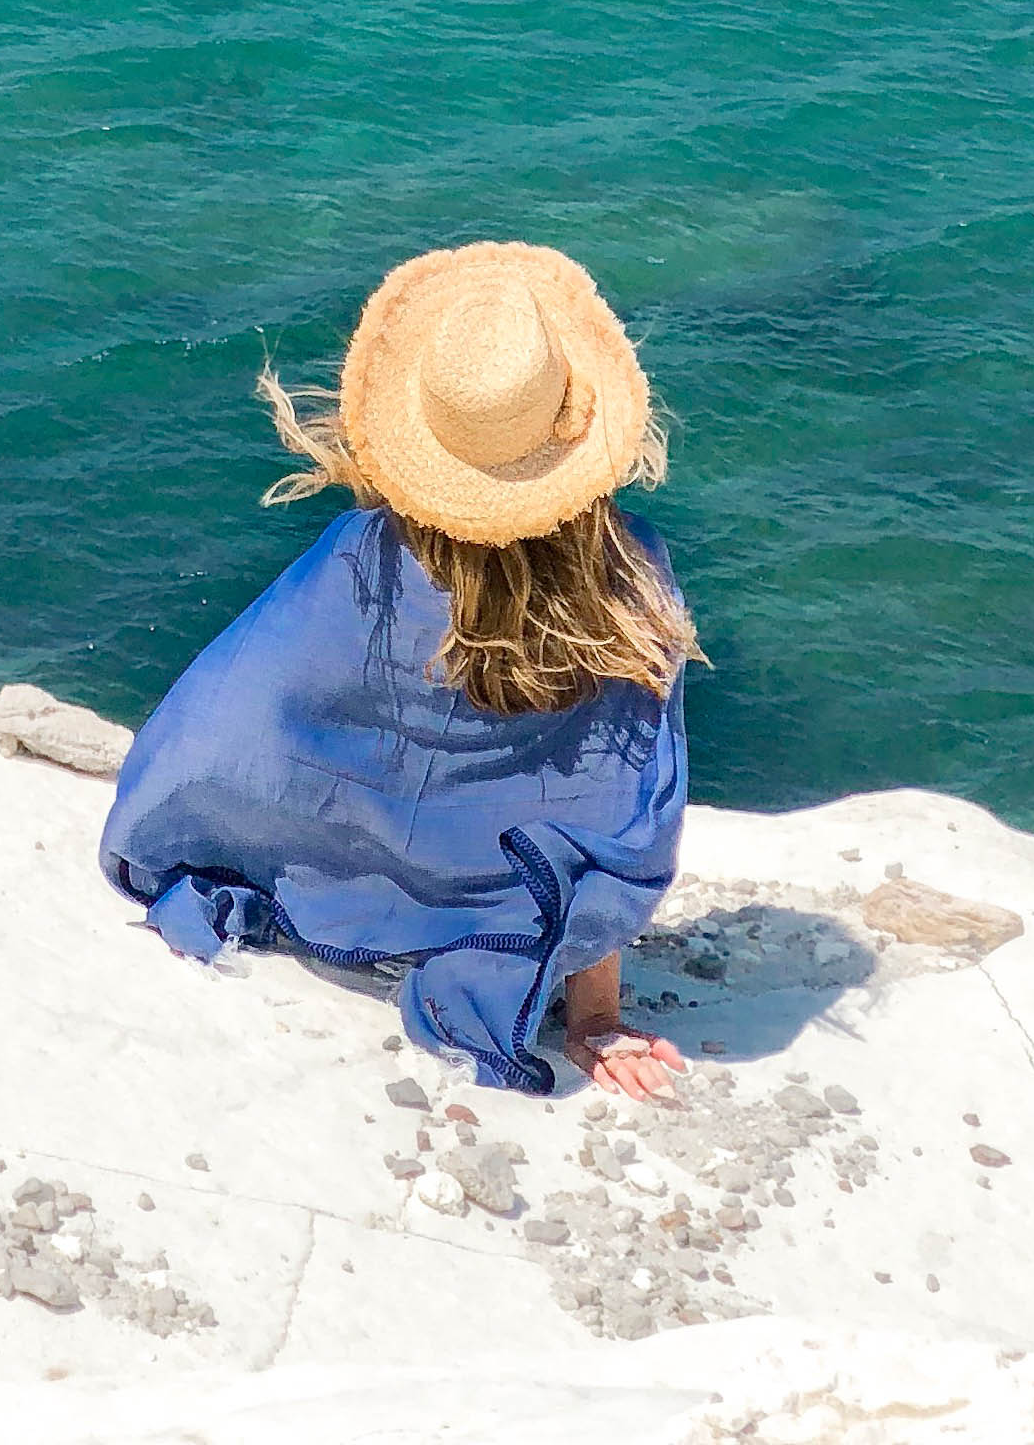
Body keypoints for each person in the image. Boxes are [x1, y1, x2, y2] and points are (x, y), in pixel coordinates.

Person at [98, 243, 699, 1101]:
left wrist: (169, 833)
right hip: (505, 905)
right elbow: (619, 813)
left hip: (355, 881)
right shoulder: (627, 579)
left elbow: (232, 725)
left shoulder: (360, 563)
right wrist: (594, 1019)